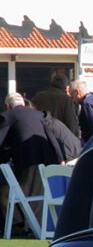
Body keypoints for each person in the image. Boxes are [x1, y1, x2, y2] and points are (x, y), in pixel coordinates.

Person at [0, 92, 60, 235]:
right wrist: (60, 158)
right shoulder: (37, 114)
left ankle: (20, 225)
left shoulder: (7, 116)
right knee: (37, 196)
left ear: (8, 105)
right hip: (47, 160)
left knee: (8, 193)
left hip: (27, 161)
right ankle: (29, 227)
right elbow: (51, 138)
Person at [32, 73, 80, 138]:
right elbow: (71, 123)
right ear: (65, 87)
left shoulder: (38, 97)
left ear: (51, 84)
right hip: (59, 137)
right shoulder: (66, 99)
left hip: (40, 135)